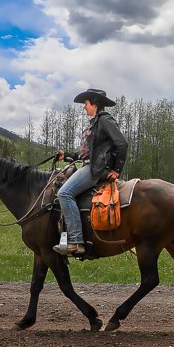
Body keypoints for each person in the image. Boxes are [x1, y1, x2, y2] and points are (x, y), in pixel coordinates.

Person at [53, 89, 128, 256]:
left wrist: (116, 169)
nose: (84, 107)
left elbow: (121, 143)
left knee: (64, 193)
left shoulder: (104, 120)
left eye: (86, 104)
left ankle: (76, 241)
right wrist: (67, 156)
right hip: (91, 165)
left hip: (96, 169)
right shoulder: (95, 123)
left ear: (94, 103)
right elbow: (87, 154)